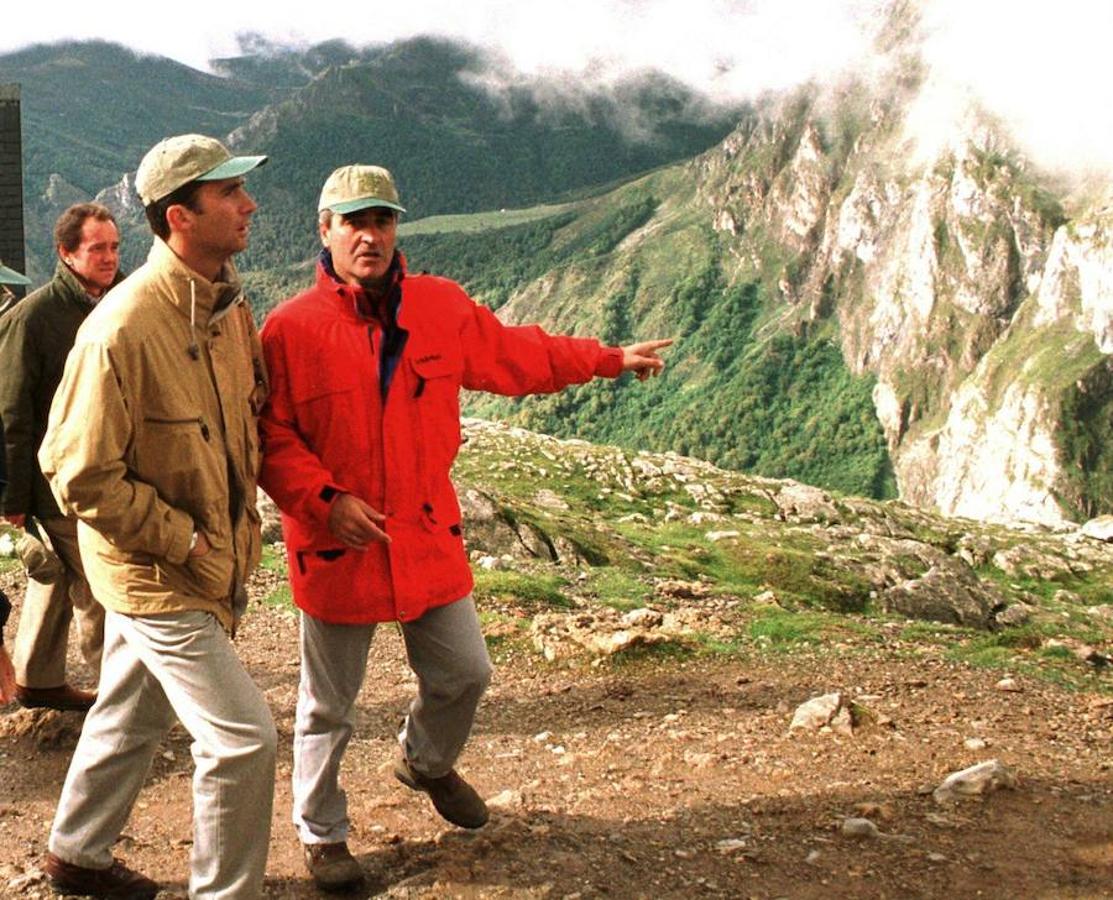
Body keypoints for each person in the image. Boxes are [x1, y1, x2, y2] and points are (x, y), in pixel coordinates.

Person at [259, 163, 671, 891]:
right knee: (328, 707)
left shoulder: (440, 306)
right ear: (324, 231)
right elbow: (271, 437)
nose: (370, 235)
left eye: (382, 220)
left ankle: (426, 762)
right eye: (354, 221)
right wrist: (325, 501)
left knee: (466, 674)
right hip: (336, 546)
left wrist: (607, 360)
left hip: (425, 536)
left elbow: (519, 354)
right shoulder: (290, 329)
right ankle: (322, 836)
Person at [37, 134, 275, 899]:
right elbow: (76, 472)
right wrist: (188, 538)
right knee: (242, 742)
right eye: (230, 195)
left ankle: (76, 853)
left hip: (202, 560)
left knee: (131, 709)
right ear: (180, 216)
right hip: (155, 569)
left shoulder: (227, 308)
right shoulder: (120, 331)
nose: (249, 205)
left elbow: (248, 419)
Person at [0, 204, 123, 712]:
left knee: (55, 573)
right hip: (57, 481)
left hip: (111, 472)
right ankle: (120, 702)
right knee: (101, 586)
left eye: (114, 247)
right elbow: (12, 411)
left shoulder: (123, 303)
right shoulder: (34, 317)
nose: (109, 258)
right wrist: (13, 498)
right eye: (97, 248)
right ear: (67, 253)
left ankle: (39, 679)